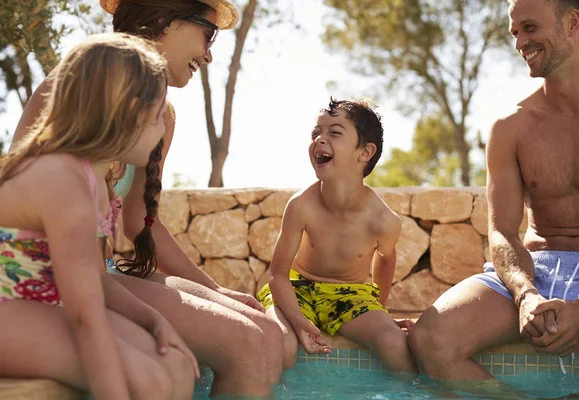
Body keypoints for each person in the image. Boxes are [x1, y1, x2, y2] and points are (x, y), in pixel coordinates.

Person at [11, 0, 284, 391]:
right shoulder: (75, 90)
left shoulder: (158, 120)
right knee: (245, 343)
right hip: (53, 281)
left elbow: (139, 221)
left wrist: (214, 288)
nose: (208, 54)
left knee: (270, 336)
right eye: (208, 35)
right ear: (165, 20)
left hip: (100, 274)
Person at [409, 0, 579, 387]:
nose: (520, 43)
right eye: (515, 32)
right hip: (538, 268)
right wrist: (525, 294)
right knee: (430, 339)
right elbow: (502, 233)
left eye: (529, 28)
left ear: (572, 23)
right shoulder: (510, 127)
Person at [0, 32, 198, 400]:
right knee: (149, 381)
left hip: (39, 304)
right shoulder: (62, 181)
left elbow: (96, 279)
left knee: (176, 365)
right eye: (158, 117)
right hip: (8, 307)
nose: (161, 131)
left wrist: (153, 319)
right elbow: (85, 318)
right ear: (131, 112)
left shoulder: (96, 181)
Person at [256, 98, 418, 373]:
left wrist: (380, 310)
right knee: (281, 344)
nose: (320, 139)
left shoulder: (383, 219)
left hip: (350, 295)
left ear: (365, 152)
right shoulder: (301, 205)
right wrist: (296, 320)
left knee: (393, 344)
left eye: (334, 132)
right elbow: (277, 274)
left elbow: (386, 259)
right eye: (316, 132)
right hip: (298, 290)